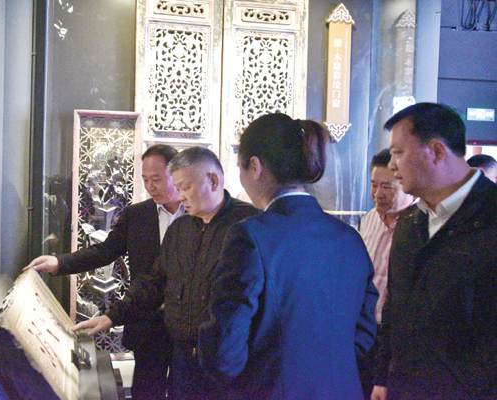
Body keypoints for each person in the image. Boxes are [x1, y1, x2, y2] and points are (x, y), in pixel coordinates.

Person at [198, 113, 378, 399]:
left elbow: (224, 352)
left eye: (240, 169)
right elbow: (364, 332)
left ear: (255, 167)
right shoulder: (350, 238)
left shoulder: (251, 236)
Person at [72, 146, 259, 400]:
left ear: (213, 181)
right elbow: (154, 282)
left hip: (228, 360)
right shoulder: (181, 228)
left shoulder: (250, 224)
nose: (180, 196)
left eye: (185, 187)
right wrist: (112, 316)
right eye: (177, 187)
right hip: (183, 359)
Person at [25, 144, 183, 400]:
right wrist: (59, 263)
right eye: (145, 179)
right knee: (146, 391)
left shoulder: (198, 215)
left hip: (187, 327)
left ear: (176, 173)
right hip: (146, 321)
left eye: (156, 179)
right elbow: (104, 252)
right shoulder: (137, 215)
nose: (150, 187)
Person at [372, 103, 497, 400]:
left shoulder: (490, 216)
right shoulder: (410, 222)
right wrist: (383, 377)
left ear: (437, 151)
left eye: (398, 152)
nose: (392, 165)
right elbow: (395, 308)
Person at [358, 149, 415, 397]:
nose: (377, 194)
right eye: (373, 185)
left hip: (394, 335)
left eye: (387, 187)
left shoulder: (418, 226)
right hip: (363, 328)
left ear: (405, 184)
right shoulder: (370, 218)